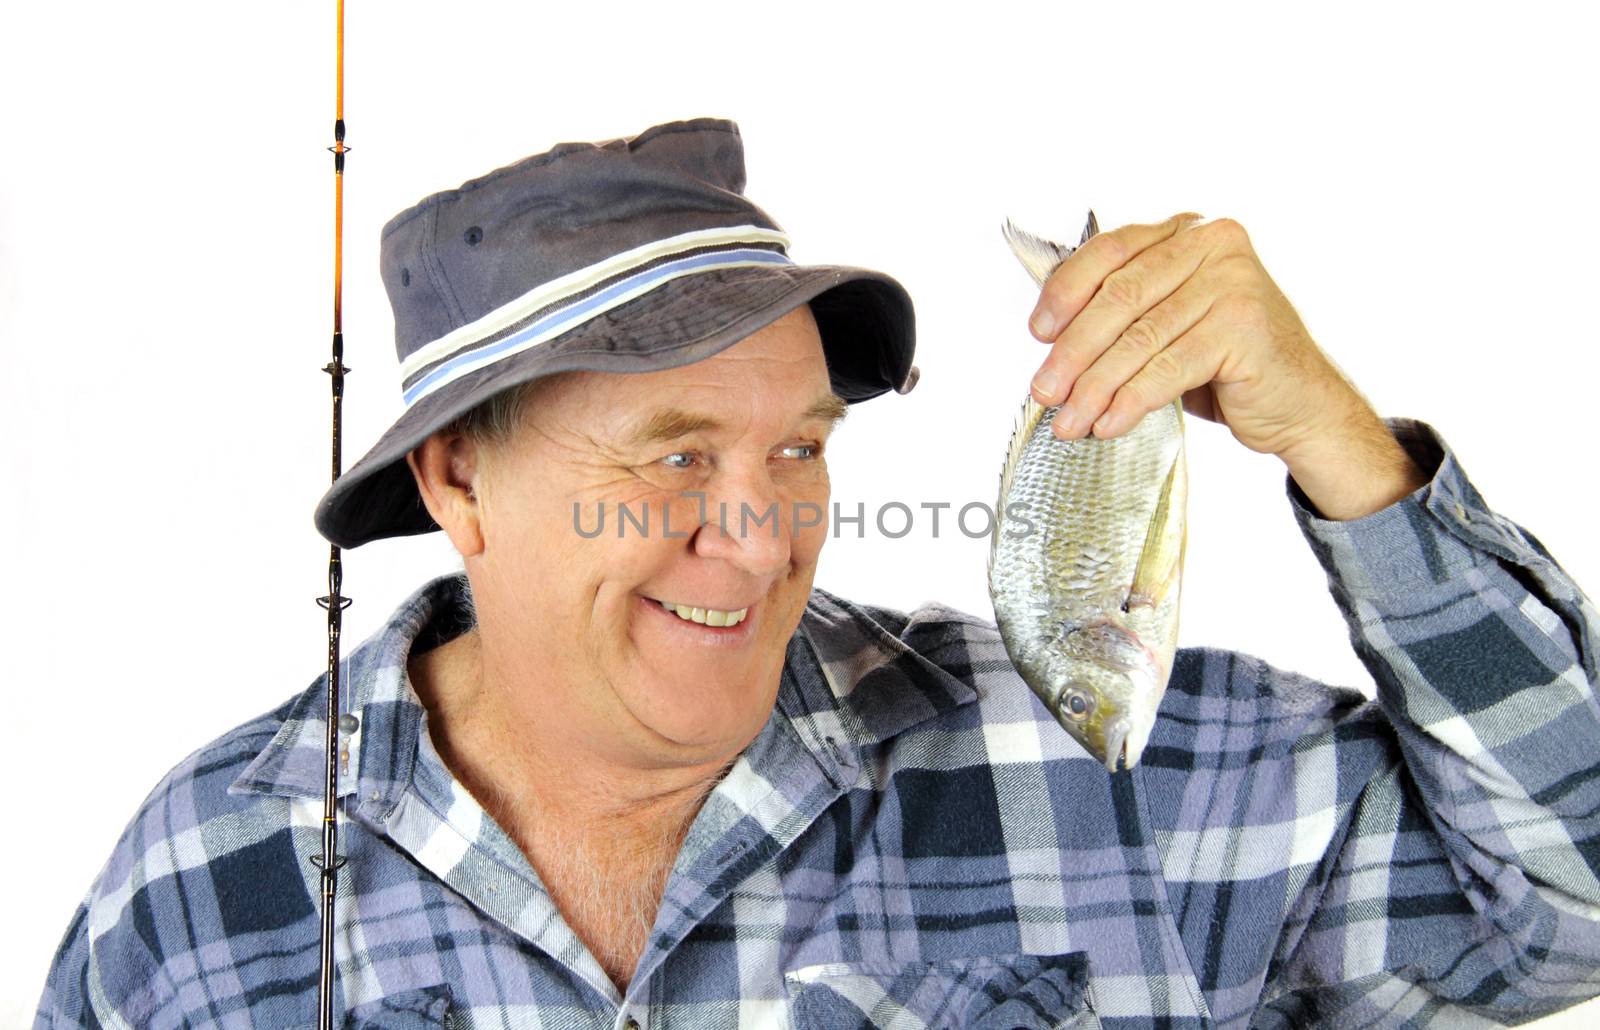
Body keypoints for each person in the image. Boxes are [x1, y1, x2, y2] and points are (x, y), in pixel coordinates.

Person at [34, 116, 1600, 1029]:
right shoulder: (201, 885)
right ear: (459, 478)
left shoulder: (1090, 756)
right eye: (672, 455)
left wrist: (1339, 443)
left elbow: (1569, 895)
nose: (764, 529)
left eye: (800, 446)